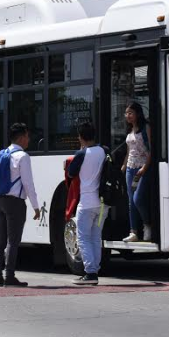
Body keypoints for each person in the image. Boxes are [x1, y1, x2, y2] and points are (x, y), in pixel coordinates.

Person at [0, 123, 41, 288]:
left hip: (0, 200)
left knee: (1, 239)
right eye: (27, 136)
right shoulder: (23, 156)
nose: (29, 139)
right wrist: (36, 206)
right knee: (13, 241)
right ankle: (10, 276)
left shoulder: (2, 153)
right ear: (21, 138)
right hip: (15, 203)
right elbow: (28, 183)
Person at [67, 122, 107, 285]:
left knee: (83, 237)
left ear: (81, 137)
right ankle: (94, 270)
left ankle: (90, 273)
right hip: (103, 205)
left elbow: (71, 173)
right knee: (96, 237)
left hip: (87, 203)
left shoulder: (81, 154)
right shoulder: (104, 151)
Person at [121, 102, 152, 243]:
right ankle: (133, 232)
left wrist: (145, 167)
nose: (127, 115)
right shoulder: (129, 130)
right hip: (130, 168)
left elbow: (151, 150)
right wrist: (123, 166)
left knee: (138, 199)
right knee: (130, 201)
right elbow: (129, 152)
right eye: (126, 113)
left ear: (138, 114)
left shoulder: (146, 128)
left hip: (142, 169)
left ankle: (147, 225)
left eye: (130, 113)